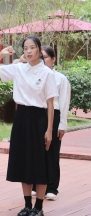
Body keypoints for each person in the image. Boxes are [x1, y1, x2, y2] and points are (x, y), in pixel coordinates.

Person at [0, 36, 57, 216]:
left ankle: (39, 206)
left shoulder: (47, 73)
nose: (28, 51)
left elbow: (50, 103)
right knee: (24, 160)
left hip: (39, 118)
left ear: (39, 49)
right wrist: (2, 54)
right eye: (25, 48)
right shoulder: (19, 68)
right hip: (21, 118)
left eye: (32, 47)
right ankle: (27, 205)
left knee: (39, 161)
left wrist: (49, 129)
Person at [40, 46, 71, 201]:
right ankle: (37, 184)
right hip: (38, 115)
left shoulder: (60, 79)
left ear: (53, 59)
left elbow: (64, 102)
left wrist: (62, 125)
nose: (42, 60)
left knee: (52, 152)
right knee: (37, 152)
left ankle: (52, 188)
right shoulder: (35, 76)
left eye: (45, 57)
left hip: (55, 114)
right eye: (41, 57)